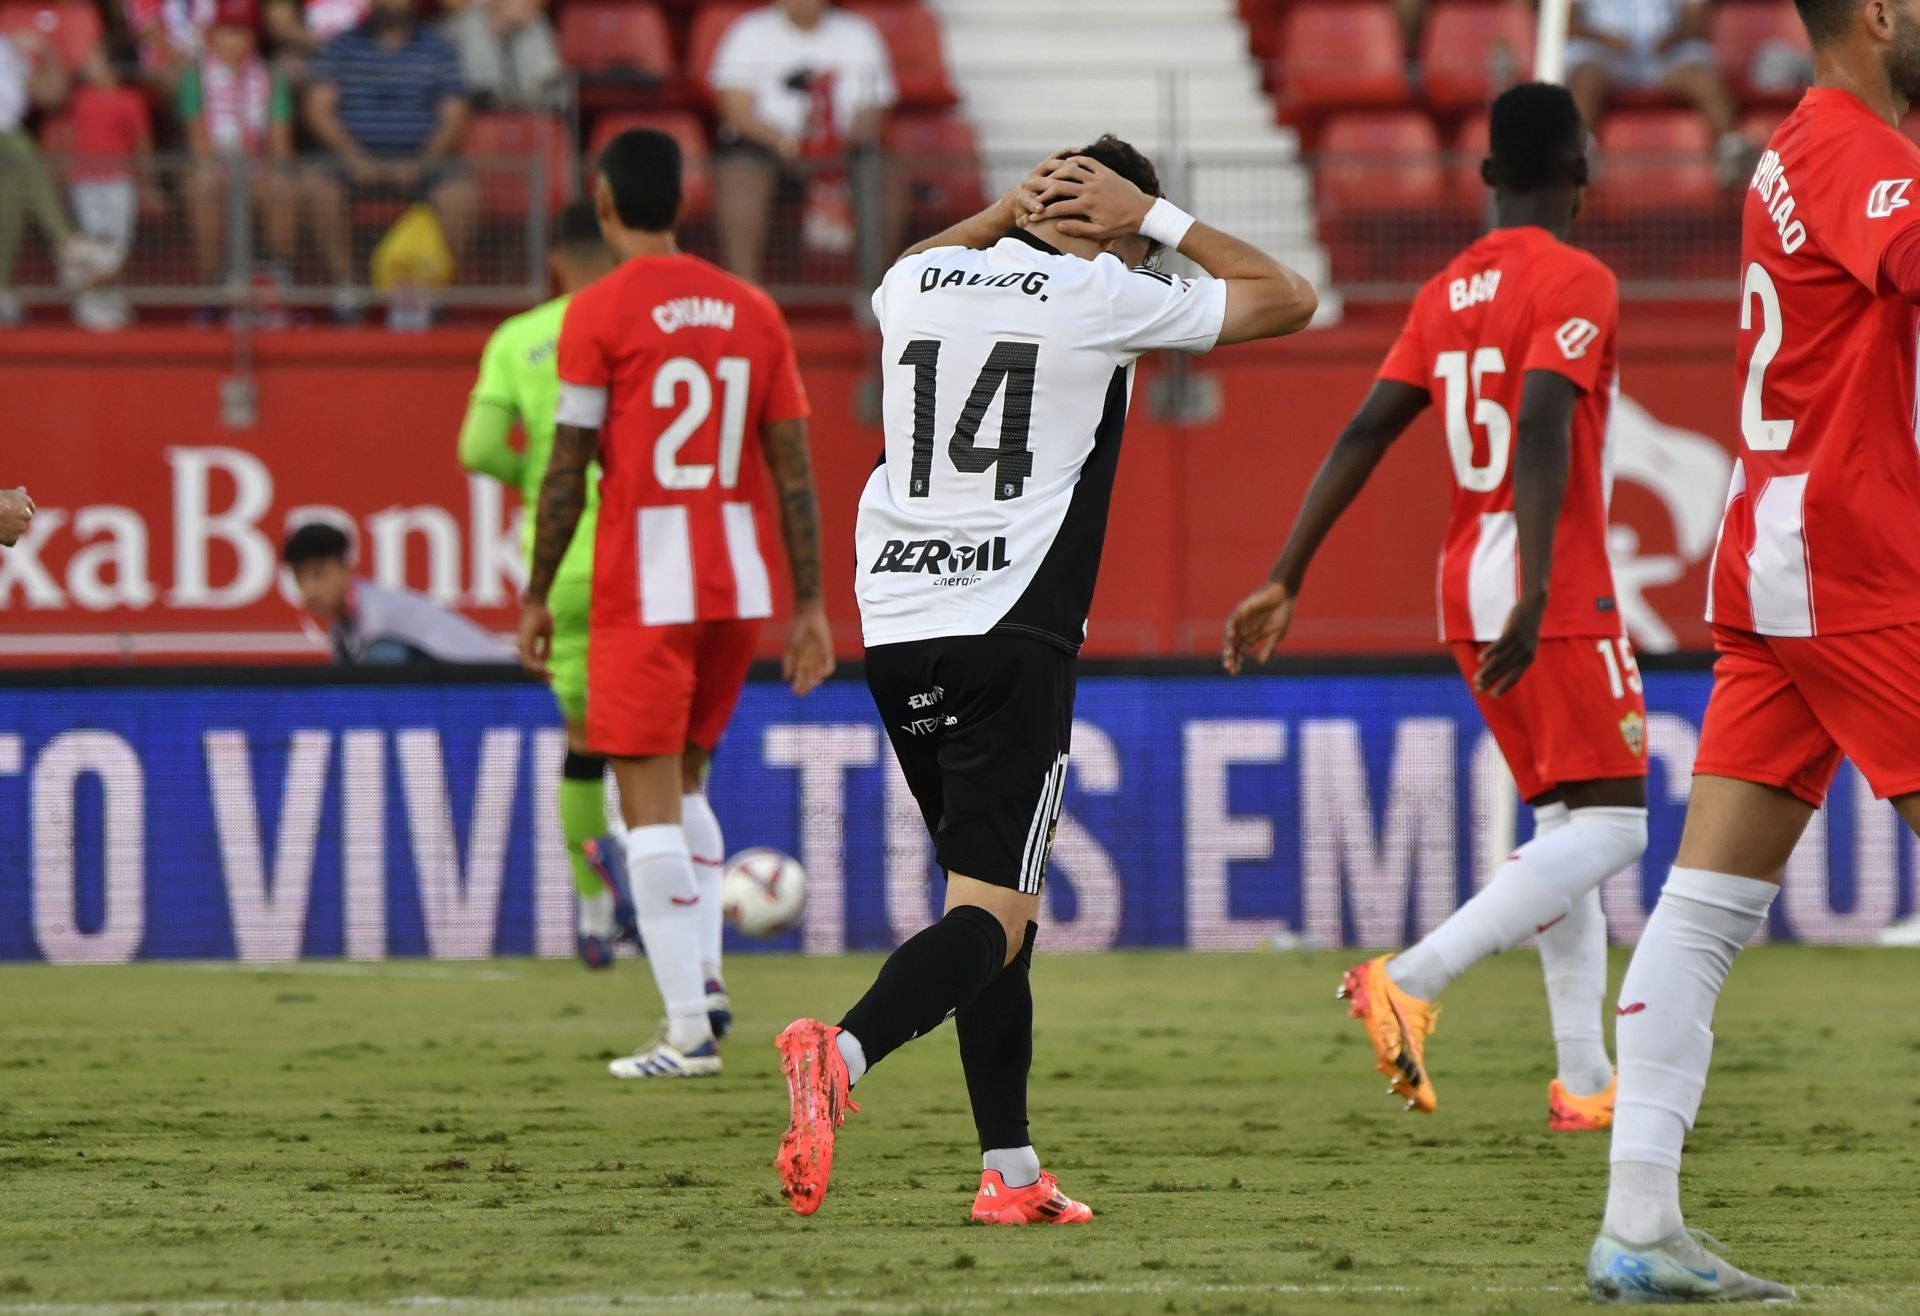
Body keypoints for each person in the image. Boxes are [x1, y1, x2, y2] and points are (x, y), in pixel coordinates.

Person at [773, 137, 1317, 1223]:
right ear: (1115, 216)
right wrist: (1154, 220)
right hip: (1008, 633)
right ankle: (840, 1051)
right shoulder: (1104, 292)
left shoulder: (919, 277)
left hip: (897, 630)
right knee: (994, 915)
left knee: (988, 905)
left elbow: (925, 257)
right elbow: (1290, 296)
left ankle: (1009, 1171)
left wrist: (996, 211)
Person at [1223, 82, 1648, 1136]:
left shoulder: (1444, 290)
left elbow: (1365, 432)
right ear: (1582, 178)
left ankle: (1587, 1078)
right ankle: (1411, 976)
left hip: (1464, 577)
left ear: (1488, 177)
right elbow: (1545, 420)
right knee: (1617, 823)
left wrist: (1289, 571)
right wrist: (1545, 578)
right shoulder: (1581, 276)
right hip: (1540, 578)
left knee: (1564, 825)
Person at [1585, 0, 1920, 1300]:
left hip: (1778, 550)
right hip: (1841, 560)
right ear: (1877, 14)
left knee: (1707, 902)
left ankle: (1637, 1227)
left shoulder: (1802, 144)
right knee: (1704, 905)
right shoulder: (1853, 151)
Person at [518, 128, 835, 1079]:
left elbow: (569, 467)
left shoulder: (597, 311)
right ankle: (704, 982)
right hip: (736, 585)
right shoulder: (753, 310)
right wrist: (812, 604)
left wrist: (537, 592)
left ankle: (686, 1032)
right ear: (683, 205)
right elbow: (793, 468)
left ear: (606, 205)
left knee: (642, 801)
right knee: (687, 785)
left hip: (643, 587)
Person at [460, 199, 627, 970]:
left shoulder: (518, 338)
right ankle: (667, 911)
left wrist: (538, 475)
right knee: (667, 749)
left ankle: (595, 916)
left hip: (560, 566)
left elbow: (477, 447)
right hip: (646, 558)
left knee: (585, 743)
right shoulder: (645, 324)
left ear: (555, 258)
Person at [303, 0, 477, 322]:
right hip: (353, 159)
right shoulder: (340, 46)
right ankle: (350, 289)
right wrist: (353, 157)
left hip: (423, 160)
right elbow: (318, 108)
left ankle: (427, 293)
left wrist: (424, 160)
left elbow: (455, 113)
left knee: (461, 196)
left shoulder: (439, 48)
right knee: (318, 189)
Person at [708, 0, 897, 284]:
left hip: (842, 151)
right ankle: (746, 295)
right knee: (739, 173)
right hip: (768, 149)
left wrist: (836, 144)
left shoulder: (859, 34)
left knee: (886, 173)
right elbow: (735, 109)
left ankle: (874, 294)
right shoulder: (749, 32)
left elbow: (876, 108)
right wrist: (789, 144)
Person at [179, 0, 301, 317]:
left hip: (256, 168)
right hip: (216, 168)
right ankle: (213, 289)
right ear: (213, 36)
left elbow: (280, 144)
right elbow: (198, 143)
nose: (235, 40)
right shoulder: (195, 76)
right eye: (227, 32)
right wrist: (224, 172)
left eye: (242, 32)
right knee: (203, 185)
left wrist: (264, 171)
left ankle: (277, 283)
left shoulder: (270, 77)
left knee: (281, 184)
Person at [1567, 0, 1754, 186]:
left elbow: (1695, 16)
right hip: (1602, 52)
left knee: (1702, 73)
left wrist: (1673, 38)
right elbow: (1566, 21)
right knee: (1586, 76)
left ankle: (1732, 147)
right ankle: (1581, 154)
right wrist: (1605, 40)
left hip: (1666, 53)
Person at [0, 30, 115, 327]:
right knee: (22, 150)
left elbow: (51, 96)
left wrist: (47, 52)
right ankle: (66, 242)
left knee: (12, 195)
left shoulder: (6, 45)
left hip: (9, 145)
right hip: (10, 143)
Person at [283, 522, 512, 664]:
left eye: (319, 574)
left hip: (499, 689)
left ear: (347, 568)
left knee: (382, 658)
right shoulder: (342, 627)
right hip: (464, 691)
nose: (309, 589)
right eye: (299, 577)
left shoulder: (377, 613)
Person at [66, 45, 159, 331]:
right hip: (84, 181)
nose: (89, 64)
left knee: (117, 246)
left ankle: (111, 301)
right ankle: (89, 304)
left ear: (114, 68)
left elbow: (143, 143)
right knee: (92, 245)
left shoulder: (131, 99)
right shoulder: (80, 97)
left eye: (97, 60)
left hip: (120, 181)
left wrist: (150, 185)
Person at [439, 0, 562, 111]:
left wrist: (519, 9)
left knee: (533, 21)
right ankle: (487, 93)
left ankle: (545, 89)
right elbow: (453, 5)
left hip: (511, 14)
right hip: (461, 21)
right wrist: (494, 9)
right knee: (475, 24)